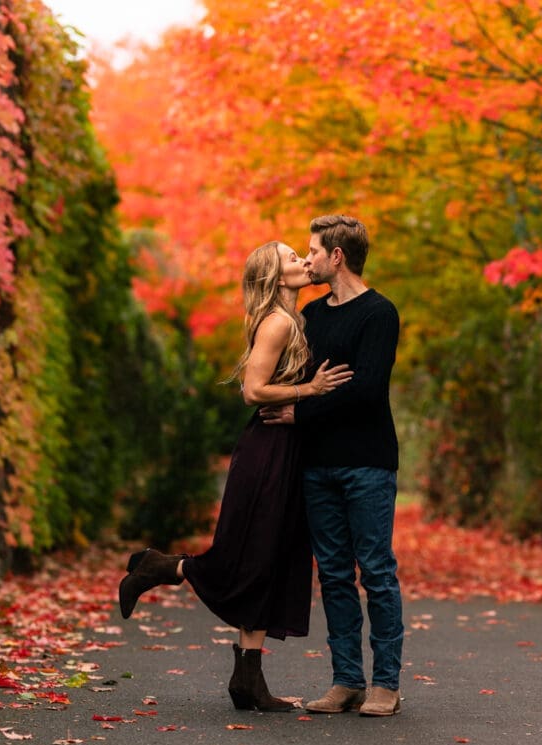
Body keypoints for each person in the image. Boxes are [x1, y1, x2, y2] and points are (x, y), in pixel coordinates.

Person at [118, 240, 354, 712]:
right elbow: (252, 391)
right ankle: (162, 567)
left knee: (272, 556)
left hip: (287, 448)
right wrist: (311, 388)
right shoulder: (278, 322)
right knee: (251, 553)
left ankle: (247, 680)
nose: (304, 262)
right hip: (268, 449)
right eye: (292, 258)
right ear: (274, 276)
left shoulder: (294, 318)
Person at [261, 214, 403, 717]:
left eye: (314, 251)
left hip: (366, 463)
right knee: (336, 576)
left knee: (377, 572)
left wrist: (300, 410)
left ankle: (385, 683)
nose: (308, 259)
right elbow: (299, 375)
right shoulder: (314, 317)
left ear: (336, 256)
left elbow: (365, 391)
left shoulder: (379, 314)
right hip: (317, 464)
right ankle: (347, 681)